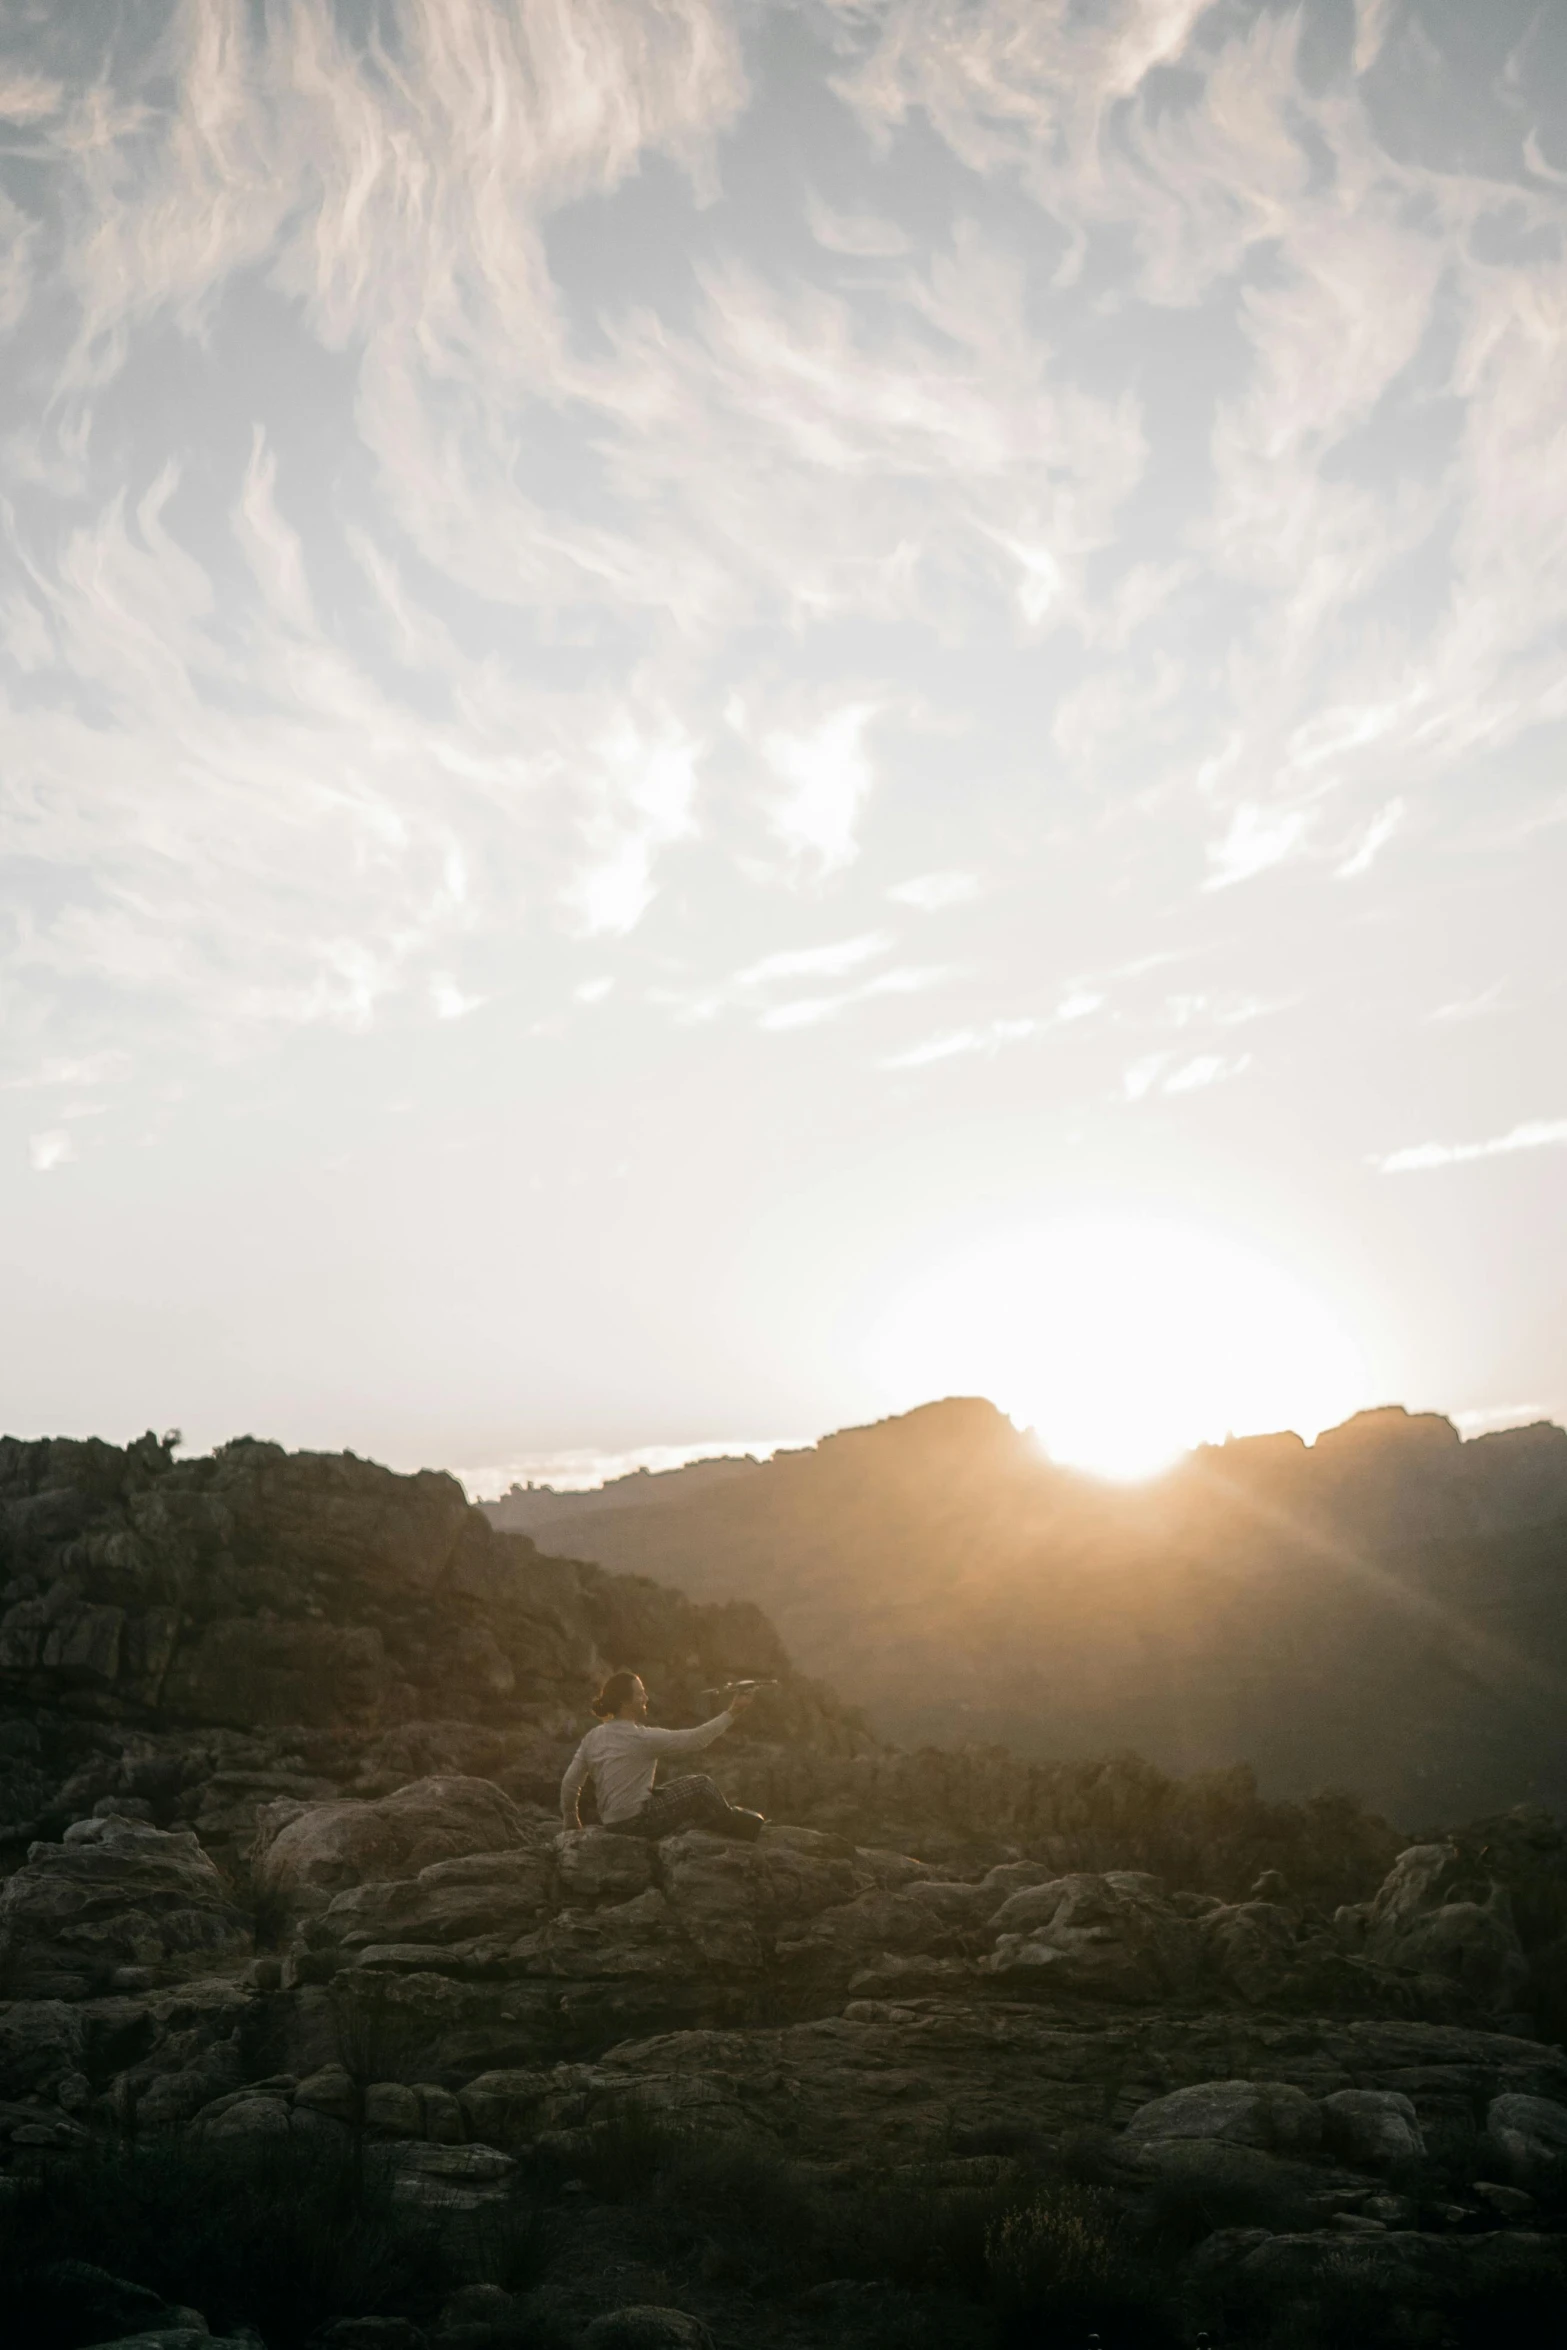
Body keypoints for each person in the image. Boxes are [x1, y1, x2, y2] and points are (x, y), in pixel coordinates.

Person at [560, 1669, 766, 1842]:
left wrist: (570, 1817)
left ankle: (721, 1821)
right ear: (625, 1702)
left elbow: (570, 1783)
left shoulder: (593, 1737)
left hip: (611, 1822)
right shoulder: (641, 1738)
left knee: (663, 1790)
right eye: (640, 1694)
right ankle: (737, 1827)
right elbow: (696, 1740)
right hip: (638, 1822)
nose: (646, 1698)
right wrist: (733, 1712)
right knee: (701, 1785)